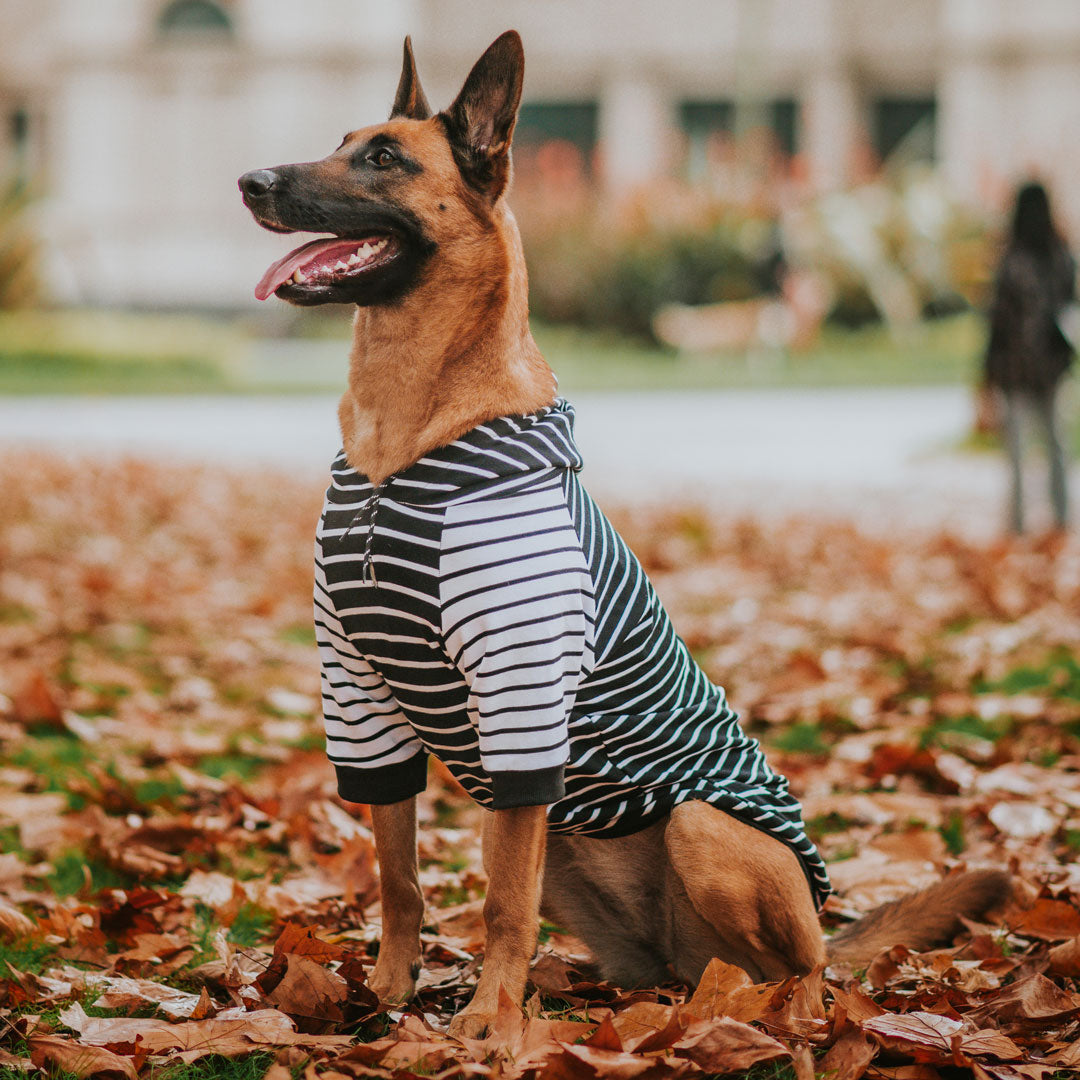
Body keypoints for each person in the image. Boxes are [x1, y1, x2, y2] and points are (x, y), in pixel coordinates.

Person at [985, 181, 1076, 534]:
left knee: (1018, 450)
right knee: (1056, 444)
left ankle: (1019, 524)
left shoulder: (1011, 259)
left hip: (1015, 366)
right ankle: (1061, 517)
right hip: (1052, 363)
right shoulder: (1062, 256)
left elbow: (998, 321)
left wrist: (988, 371)